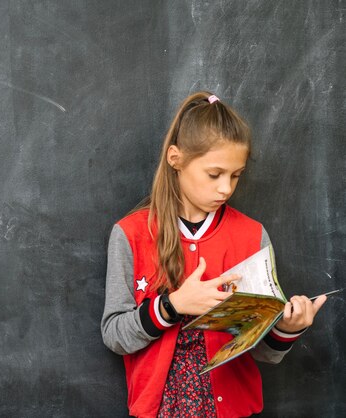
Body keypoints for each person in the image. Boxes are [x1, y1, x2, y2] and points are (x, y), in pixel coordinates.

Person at [100, 91, 327, 418]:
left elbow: (263, 351)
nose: (226, 188)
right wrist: (172, 305)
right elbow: (115, 336)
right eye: (214, 174)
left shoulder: (252, 236)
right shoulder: (130, 234)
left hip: (233, 408)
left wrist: (288, 328)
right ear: (175, 158)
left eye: (236, 176)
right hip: (159, 409)